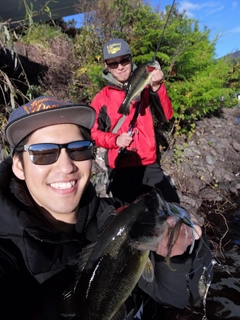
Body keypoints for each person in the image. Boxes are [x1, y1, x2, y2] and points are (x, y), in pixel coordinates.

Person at [0, 96, 212, 319]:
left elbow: (177, 297)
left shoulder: (116, 215)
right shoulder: (7, 250)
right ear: (18, 166)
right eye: (43, 152)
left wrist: (178, 253)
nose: (65, 166)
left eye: (79, 149)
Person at [91, 38, 178, 203]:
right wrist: (115, 139)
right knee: (130, 219)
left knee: (172, 206)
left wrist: (157, 87)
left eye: (124, 60)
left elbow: (165, 116)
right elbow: (93, 133)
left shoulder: (147, 84)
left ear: (131, 59)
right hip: (120, 168)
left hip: (149, 164)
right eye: (113, 63)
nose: (120, 66)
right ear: (107, 67)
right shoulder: (101, 99)